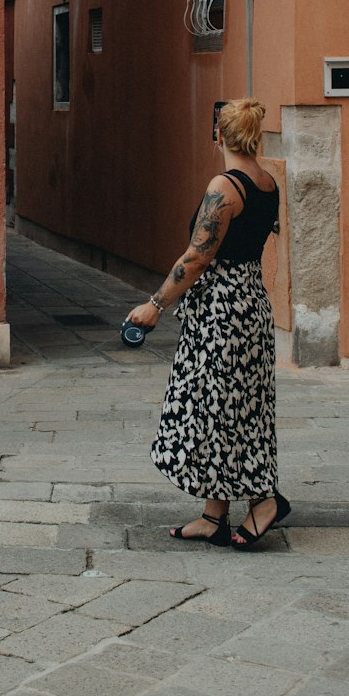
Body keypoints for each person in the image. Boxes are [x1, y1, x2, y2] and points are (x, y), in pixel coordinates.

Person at [127, 97, 290, 548]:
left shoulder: (226, 185)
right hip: (250, 304)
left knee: (218, 408)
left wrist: (154, 306)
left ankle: (265, 501)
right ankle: (213, 516)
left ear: (219, 134)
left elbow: (198, 256)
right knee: (236, 406)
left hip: (223, 312)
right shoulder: (266, 182)